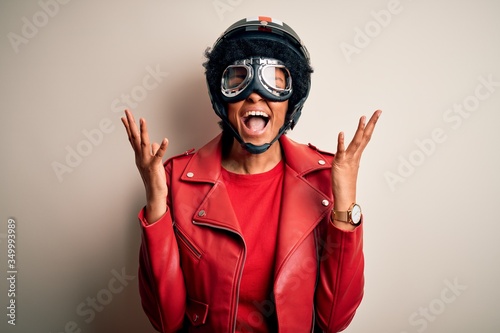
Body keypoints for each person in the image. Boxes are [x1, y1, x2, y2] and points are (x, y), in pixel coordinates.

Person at [122, 16, 381, 333]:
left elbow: (335, 320)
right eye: (238, 78)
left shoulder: (325, 179)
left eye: (274, 80)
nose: (256, 94)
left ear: (292, 100)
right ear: (221, 98)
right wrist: (156, 204)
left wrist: (345, 203)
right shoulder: (174, 179)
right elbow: (166, 321)